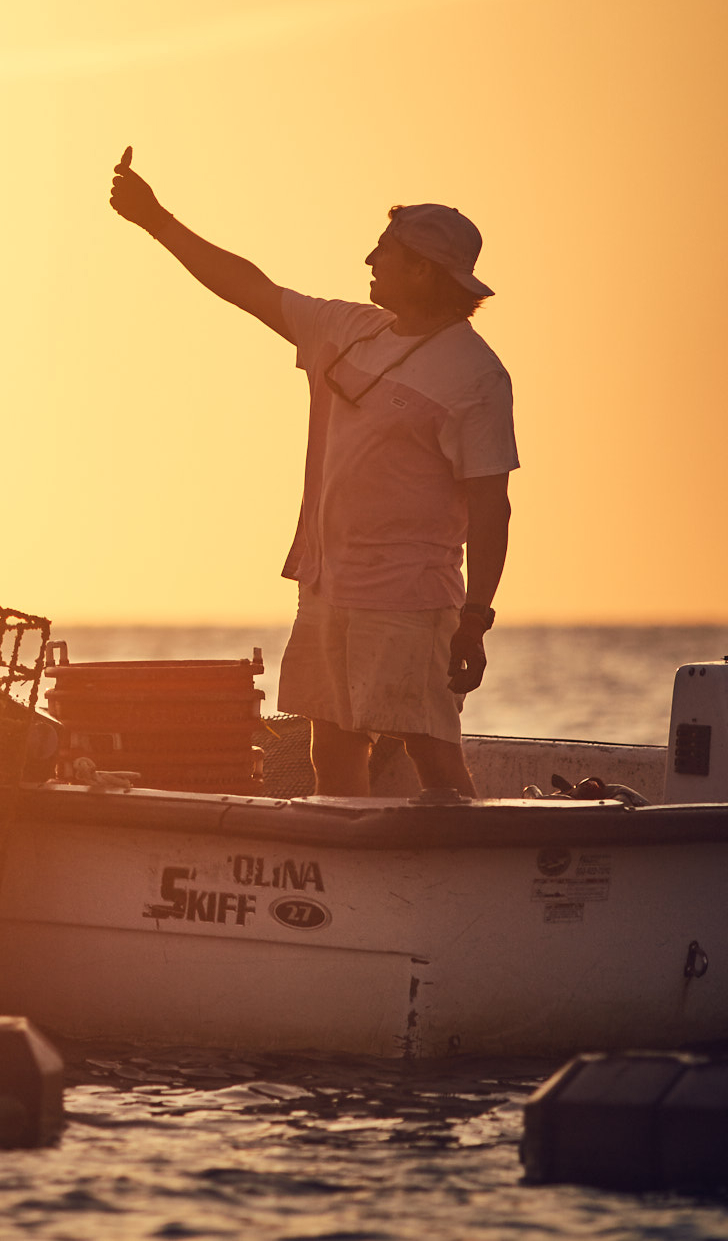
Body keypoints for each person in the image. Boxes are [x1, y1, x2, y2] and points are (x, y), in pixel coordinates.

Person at [109, 148, 516, 797]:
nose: (369, 261)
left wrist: (475, 617)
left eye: (385, 250)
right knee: (332, 749)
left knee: (431, 752)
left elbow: (492, 506)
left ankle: (471, 879)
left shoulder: (476, 376)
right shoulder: (345, 329)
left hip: (412, 597)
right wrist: (157, 220)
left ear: (423, 271)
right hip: (329, 584)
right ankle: (349, 886)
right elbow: (248, 286)